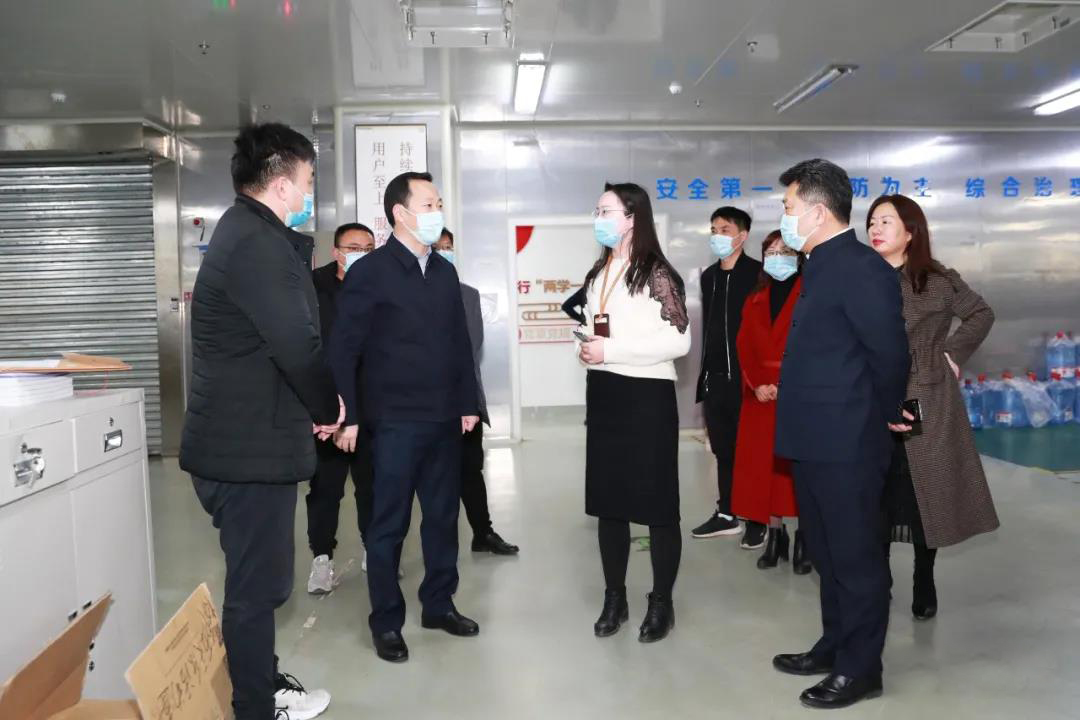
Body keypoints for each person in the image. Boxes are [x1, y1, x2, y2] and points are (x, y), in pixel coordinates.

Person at [179, 123, 342, 720]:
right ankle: (255, 707)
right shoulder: (257, 243)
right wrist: (329, 408)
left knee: (260, 582)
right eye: (308, 181)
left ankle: (263, 684)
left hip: (246, 442)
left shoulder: (247, 233)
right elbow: (295, 344)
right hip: (244, 452)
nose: (309, 193)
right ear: (280, 185)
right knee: (256, 590)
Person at [771, 158, 910, 710]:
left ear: (817, 212)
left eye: (788, 207)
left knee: (856, 558)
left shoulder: (860, 268)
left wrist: (888, 415)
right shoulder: (820, 265)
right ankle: (834, 645)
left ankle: (861, 668)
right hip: (813, 438)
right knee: (827, 554)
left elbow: (889, 354)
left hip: (848, 440)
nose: (784, 217)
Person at [329, 171, 480, 664]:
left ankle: (439, 604)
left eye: (439, 203)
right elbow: (344, 349)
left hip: (443, 419)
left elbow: (460, 345)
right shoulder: (370, 272)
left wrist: (468, 404)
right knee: (388, 524)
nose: (438, 211)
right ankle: (387, 621)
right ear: (401, 213)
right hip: (392, 421)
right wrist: (348, 415)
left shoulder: (444, 272)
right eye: (429, 204)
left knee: (442, 518)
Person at [866, 194, 999, 620]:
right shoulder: (860, 277)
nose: (875, 229)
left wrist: (952, 353)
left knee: (925, 491)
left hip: (925, 394)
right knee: (876, 491)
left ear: (910, 231)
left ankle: (924, 577)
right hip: (870, 395)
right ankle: (879, 580)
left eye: (886, 221)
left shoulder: (937, 279)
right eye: (872, 221)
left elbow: (980, 313)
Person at [577, 182, 691, 643]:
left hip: (647, 398)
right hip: (605, 393)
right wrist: (589, 348)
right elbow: (597, 328)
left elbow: (679, 340)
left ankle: (662, 601)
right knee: (609, 503)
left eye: (606, 211)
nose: (599, 218)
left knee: (658, 505)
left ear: (632, 218)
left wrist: (611, 350)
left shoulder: (656, 272)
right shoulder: (599, 272)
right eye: (597, 210)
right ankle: (615, 597)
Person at [434, 228, 520, 556]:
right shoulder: (405, 292)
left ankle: (482, 533)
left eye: (449, 247)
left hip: (464, 401)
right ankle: (437, 542)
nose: (445, 252)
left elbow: (471, 349)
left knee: (470, 470)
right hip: (422, 404)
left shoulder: (467, 295)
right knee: (428, 477)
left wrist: (466, 402)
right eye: (438, 247)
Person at [730, 230, 811, 574]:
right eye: (771, 252)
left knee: (796, 471)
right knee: (765, 470)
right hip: (760, 397)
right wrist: (755, 384)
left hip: (799, 396)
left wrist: (785, 384)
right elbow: (743, 346)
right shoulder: (755, 298)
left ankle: (806, 538)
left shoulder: (812, 294)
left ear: (799, 257)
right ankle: (775, 536)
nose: (777, 258)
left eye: (785, 251)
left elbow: (816, 347)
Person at [306, 223, 377, 594]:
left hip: (372, 405)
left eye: (368, 248)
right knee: (325, 489)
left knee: (373, 485)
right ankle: (321, 558)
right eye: (353, 248)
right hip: (327, 407)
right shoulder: (313, 286)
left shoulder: (381, 285)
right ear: (336, 252)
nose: (361, 254)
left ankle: (374, 550)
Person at [692, 207, 766, 550]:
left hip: (748, 379)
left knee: (751, 451)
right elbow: (710, 327)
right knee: (723, 450)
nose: (717, 235)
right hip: (716, 378)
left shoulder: (759, 274)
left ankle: (757, 518)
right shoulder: (709, 277)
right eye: (713, 230)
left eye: (724, 229)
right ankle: (727, 513)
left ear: (742, 235)